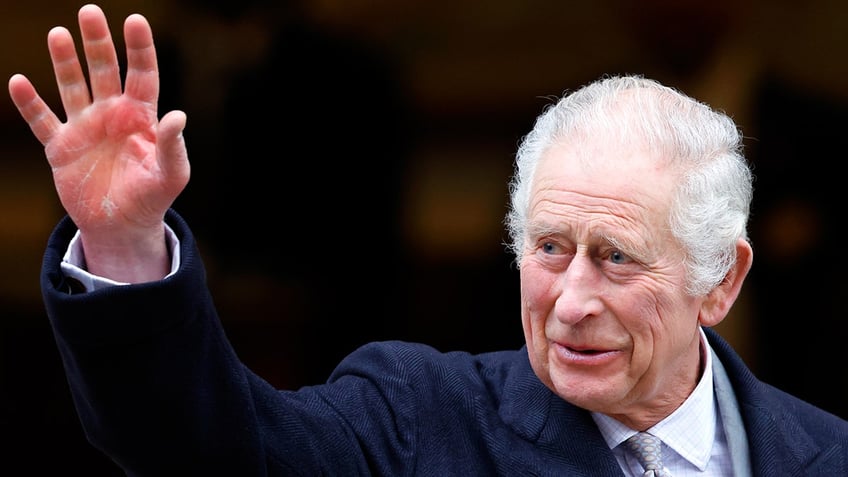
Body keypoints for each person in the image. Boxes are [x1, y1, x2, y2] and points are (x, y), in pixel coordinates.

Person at [8, 4, 848, 476]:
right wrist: (124, 246)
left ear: (720, 281)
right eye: (550, 247)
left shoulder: (824, 453)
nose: (574, 299)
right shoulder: (416, 418)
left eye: (618, 255)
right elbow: (211, 450)